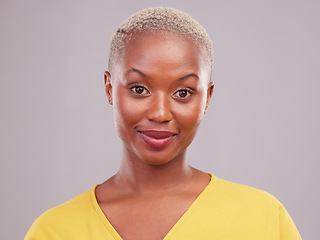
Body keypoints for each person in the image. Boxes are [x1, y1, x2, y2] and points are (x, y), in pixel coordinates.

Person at [25, 7, 301, 240]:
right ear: (109, 88)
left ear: (207, 98)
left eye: (183, 92)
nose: (159, 113)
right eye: (139, 89)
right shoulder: (53, 231)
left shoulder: (263, 220)